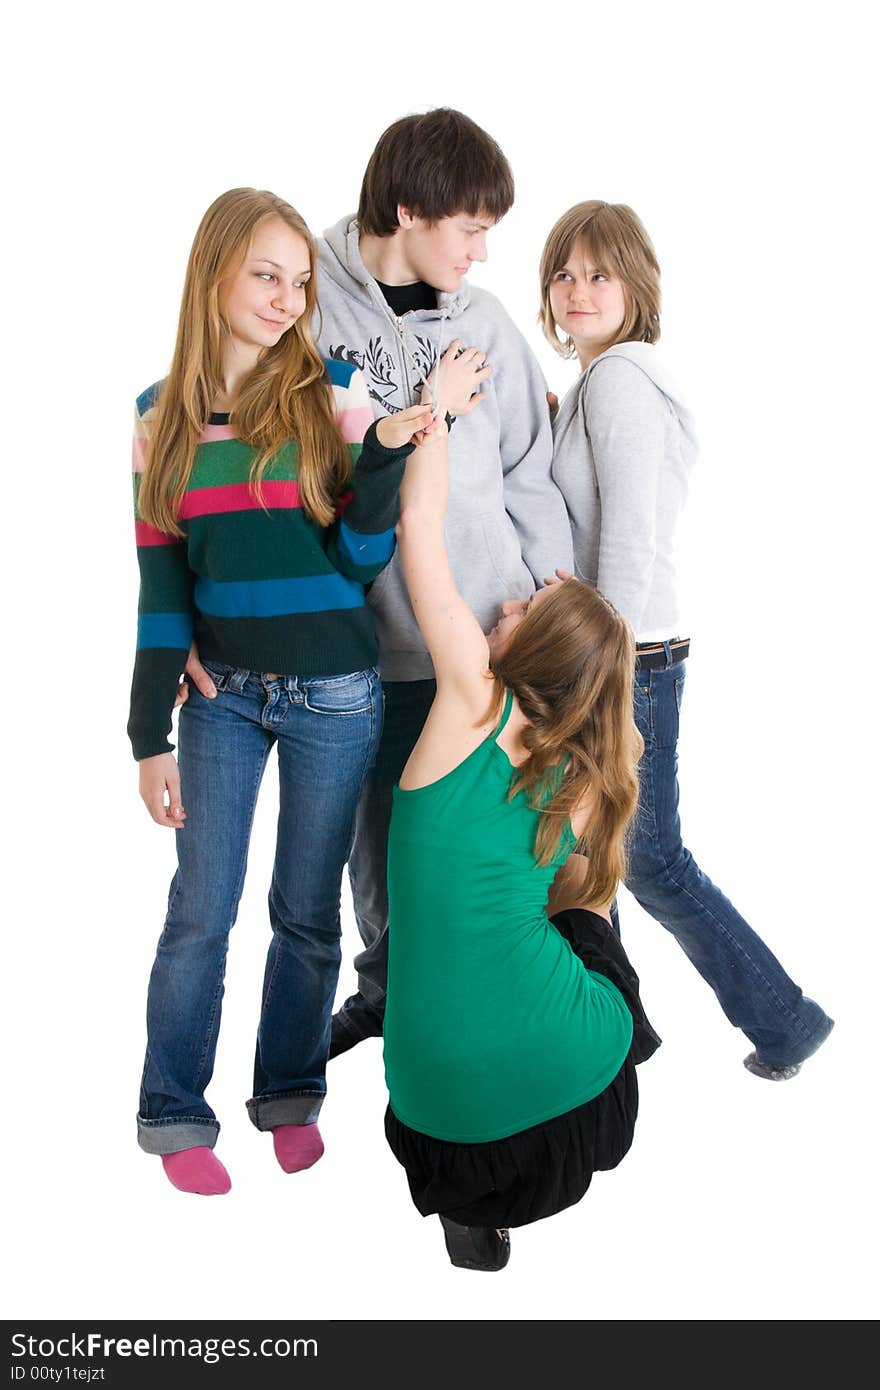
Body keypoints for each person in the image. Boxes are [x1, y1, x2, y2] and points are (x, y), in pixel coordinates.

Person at [182, 110, 574, 1054]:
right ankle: (393, 1000)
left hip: (494, 640)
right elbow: (245, 464)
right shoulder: (305, 303)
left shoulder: (482, 322)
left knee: (503, 860)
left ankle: (519, 1027)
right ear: (409, 211)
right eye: (470, 228)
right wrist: (202, 615)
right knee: (377, 859)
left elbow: (531, 466)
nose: (482, 254)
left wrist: (557, 596)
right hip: (358, 653)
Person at [129, 187, 436, 1196]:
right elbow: (163, 586)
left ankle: (289, 1096)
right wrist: (147, 734)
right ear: (213, 271)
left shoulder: (332, 390)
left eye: (299, 280)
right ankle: (175, 1111)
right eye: (266, 272)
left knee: (307, 913)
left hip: (338, 697)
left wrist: (384, 455)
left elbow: (356, 555)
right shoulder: (155, 421)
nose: (284, 295)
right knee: (199, 911)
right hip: (218, 700)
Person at [541, 200, 834, 1079]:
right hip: (622, 650)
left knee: (647, 856)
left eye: (600, 273)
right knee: (593, 850)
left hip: (626, 657)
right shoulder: (606, 382)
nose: (579, 290)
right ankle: (619, 1029)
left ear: (637, 286)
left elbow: (628, 536)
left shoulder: (622, 381)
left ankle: (782, 1021)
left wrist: (600, 661)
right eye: (563, 272)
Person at [381, 397, 660, 1271]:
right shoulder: (580, 777)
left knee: (568, 922)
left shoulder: (470, 697)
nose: (509, 596)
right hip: (578, 1107)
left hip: (435, 1124)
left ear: (540, 644)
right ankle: (631, 1035)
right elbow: (585, 884)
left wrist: (439, 419)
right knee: (589, 912)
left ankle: (471, 1216)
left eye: (532, 600)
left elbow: (419, 522)